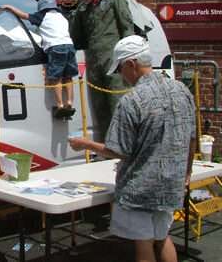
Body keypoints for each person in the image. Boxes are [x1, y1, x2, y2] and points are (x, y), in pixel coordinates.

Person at [69, 35, 196, 262]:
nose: (121, 76)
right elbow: (191, 138)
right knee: (163, 237)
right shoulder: (182, 91)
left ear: (131, 64)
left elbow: (118, 150)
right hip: (171, 182)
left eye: (120, 69)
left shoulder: (132, 100)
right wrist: (187, 172)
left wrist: (85, 144)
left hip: (142, 187)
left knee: (144, 244)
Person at [69, 0, 134, 141]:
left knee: (118, 102)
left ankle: (124, 143)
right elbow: (77, 38)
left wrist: (127, 56)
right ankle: (107, 146)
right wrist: (74, 14)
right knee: (100, 107)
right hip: (94, 62)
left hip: (114, 60)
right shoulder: (82, 9)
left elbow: (126, 27)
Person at [3, 0, 79, 119]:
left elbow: (24, 16)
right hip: (69, 46)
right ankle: (69, 102)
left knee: (56, 77)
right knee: (68, 76)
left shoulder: (42, 16)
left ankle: (60, 105)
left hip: (56, 47)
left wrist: (10, 7)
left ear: (42, 8)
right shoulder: (62, 16)